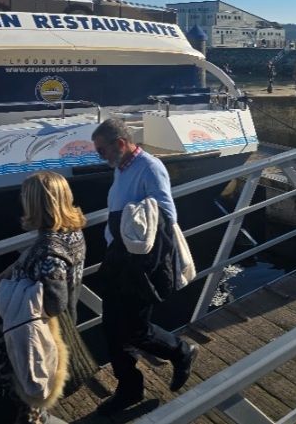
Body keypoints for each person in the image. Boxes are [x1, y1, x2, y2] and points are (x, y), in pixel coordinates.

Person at [91, 118, 198, 416]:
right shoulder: (121, 167)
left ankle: (180, 350)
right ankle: (129, 389)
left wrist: (130, 233)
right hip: (117, 259)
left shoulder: (149, 167)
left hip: (137, 264)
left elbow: (166, 214)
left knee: (136, 329)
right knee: (112, 329)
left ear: (121, 144)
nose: (100, 156)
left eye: (102, 150)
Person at [0, 172, 92, 424]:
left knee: (12, 400)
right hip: (53, 331)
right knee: (29, 400)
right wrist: (17, 265)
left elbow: (53, 302)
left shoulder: (49, 249)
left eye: (25, 198)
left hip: (31, 336)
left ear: (36, 203)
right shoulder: (73, 233)